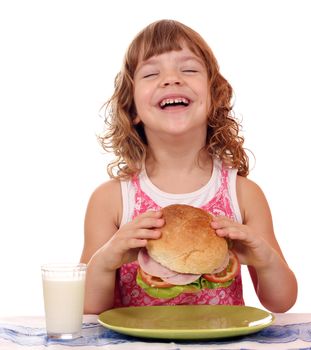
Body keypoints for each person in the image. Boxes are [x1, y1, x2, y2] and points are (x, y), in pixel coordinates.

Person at [80, 19, 297, 314]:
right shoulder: (110, 200)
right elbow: (88, 308)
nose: (171, 79)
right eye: (152, 72)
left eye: (189, 69)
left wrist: (265, 258)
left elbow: (281, 301)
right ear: (132, 109)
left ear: (215, 97)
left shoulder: (243, 194)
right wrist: (108, 258)